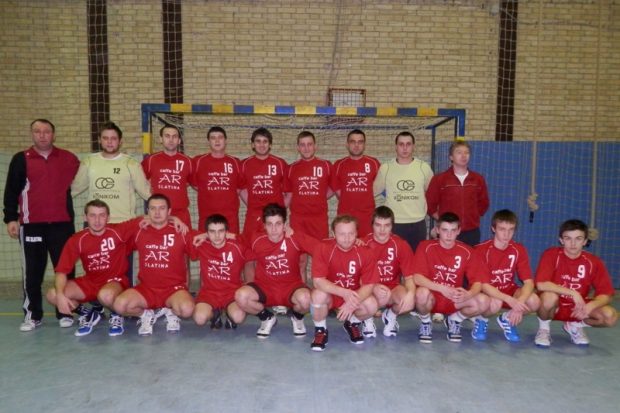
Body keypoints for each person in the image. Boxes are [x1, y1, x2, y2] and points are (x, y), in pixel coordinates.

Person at [3, 119, 80, 331]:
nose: (42, 135)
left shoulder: (68, 158)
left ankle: (65, 312)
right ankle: (32, 315)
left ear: (54, 135)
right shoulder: (21, 159)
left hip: (62, 225)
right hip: (31, 225)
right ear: (32, 134)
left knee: (66, 271)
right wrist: (11, 218)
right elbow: (11, 191)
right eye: (37, 131)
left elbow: (82, 178)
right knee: (32, 273)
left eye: (46, 131)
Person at [46, 200, 131, 337]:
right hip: (91, 282)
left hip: (114, 282)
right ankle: (89, 314)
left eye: (102, 215)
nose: (97, 220)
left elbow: (145, 220)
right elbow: (61, 271)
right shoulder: (77, 239)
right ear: (85, 217)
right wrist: (60, 295)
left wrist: (166, 218)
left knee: (106, 295)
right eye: (92, 215)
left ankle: (116, 315)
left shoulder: (118, 232)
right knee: (52, 294)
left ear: (108, 217)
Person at [113, 194, 194, 336]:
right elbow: (115, 232)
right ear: (147, 211)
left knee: (187, 309)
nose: (157, 212)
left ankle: (171, 311)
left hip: (173, 289)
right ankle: (146, 315)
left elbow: (208, 240)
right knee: (119, 305)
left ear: (169, 211)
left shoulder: (180, 230)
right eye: (153, 208)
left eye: (162, 208)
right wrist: (139, 220)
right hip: (146, 289)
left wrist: (231, 237)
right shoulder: (139, 229)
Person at [234, 203, 318, 339]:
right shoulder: (256, 239)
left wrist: (353, 243)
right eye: (270, 224)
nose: (274, 229)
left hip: (291, 287)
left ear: (285, 224)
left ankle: (297, 317)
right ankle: (267, 318)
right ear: (264, 225)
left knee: (307, 299)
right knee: (241, 296)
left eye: (278, 224)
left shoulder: (294, 238)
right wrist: (205, 236)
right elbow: (232, 238)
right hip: (265, 288)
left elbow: (321, 248)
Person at [534, 219, 617, 347]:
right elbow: (541, 284)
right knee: (549, 297)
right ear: (561, 240)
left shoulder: (594, 262)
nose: (573, 243)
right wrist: (573, 293)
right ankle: (544, 329)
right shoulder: (551, 254)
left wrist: (591, 305)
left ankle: (575, 326)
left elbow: (606, 294)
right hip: (554, 307)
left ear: (585, 241)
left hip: (578, 308)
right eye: (568, 238)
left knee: (610, 316)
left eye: (578, 239)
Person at [413, 212, 489, 343]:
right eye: (445, 230)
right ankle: (425, 322)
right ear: (437, 230)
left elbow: (477, 281)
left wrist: (469, 294)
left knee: (484, 301)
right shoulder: (425, 247)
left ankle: (455, 320)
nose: (449, 235)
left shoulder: (467, 251)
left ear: (458, 231)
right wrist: (442, 288)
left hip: (454, 299)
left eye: (453, 230)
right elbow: (417, 277)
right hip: (432, 297)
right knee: (421, 293)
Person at [310, 215, 380, 351]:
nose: (347, 238)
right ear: (333, 234)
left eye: (351, 233)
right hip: (331, 294)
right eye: (342, 234)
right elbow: (318, 281)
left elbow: (369, 285)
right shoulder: (323, 247)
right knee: (317, 295)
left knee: (372, 305)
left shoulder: (365, 251)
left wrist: (351, 302)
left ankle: (352, 323)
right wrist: (344, 293)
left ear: (357, 233)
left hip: (353, 294)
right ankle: (320, 330)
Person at [471, 209, 540, 342]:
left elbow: (529, 282)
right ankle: (481, 320)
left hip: (508, 290)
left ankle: (507, 319)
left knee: (534, 301)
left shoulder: (518, 249)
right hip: (487, 293)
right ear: (493, 229)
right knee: (495, 303)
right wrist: (510, 300)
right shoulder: (481, 250)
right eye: (502, 229)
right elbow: (484, 286)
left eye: (511, 230)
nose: (506, 234)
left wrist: (520, 302)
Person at [72, 121, 151, 224]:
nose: (109, 142)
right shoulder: (88, 162)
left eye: (113, 138)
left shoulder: (131, 164)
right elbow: (74, 190)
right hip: (94, 223)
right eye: (105, 138)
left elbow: (147, 193)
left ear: (120, 141)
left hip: (123, 223)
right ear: (99, 140)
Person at [284, 130, 333, 278]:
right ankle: (302, 287)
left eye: (309, 144)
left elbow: (333, 188)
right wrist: (280, 216)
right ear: (298, 147)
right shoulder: (291, 168)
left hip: (319, 220)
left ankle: (321, 288)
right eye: (303, 145)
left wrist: (319, 198)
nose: (306, 148)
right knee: (300, 259)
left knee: (322, 256)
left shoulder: (326, 165)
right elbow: (289, 195)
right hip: (298, 220)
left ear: (315, 146)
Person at [373, 131, 433, 252]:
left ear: (413, 146)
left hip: (417, 223)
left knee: (416, 259)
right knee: (395, 260)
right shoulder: (386, 168)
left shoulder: (423, 167)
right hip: (395, 223)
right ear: (396, 147)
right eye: (401, 144)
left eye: (408, 144)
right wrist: (381, 211)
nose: (405, 148)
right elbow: (374, 193)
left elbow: (432, 193)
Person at [362, 206, 416, 338]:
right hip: (369, 288)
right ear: (372, 225)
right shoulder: (362, 244)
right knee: (368, 300)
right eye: (378, 225)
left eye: (386, 225)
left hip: (392, 288)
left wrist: (411, 294)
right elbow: (355, 277)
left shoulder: (401, 245)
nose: (382, 230)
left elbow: (409, 277)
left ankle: (390, 315)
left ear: (392, 226)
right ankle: (367, 318)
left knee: (409, 301)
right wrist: (373, 287)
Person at [426, 140, 489, 246]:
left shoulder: (478, 179)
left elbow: (484, 203)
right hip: (448, 232)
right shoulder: (439, 179)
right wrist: (444, 220)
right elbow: (429, 205)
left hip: (471, 232)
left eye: (466, 152)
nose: (463, 156)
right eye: (459, 152)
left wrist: (472, 217)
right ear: (451, 157)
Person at [191, 214, 249, 330]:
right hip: (209, 293)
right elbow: (187, 237)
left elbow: (252, 243)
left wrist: (235, 236)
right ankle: (215, 315)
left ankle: (229, 314)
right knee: (199, 319)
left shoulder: (237, 247)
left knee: (238, 317)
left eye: (221, 231)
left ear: (227, 232)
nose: (217, 236)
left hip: (232, 292)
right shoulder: (202, 245)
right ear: (207, 233)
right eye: (212, 231)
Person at [239, 127, 288, 240]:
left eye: (265, 141)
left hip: (275, 217)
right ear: (252, 144)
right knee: (249, 245)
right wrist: (252, 204)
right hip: (253, 215)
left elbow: (289, 192)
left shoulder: (280, 163)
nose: (262, 145)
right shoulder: (244, 164)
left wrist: (279, 210)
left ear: (270, 145)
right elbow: (241, 188)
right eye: (258, 141)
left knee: (275, 246)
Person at [192, 126, 243, 233]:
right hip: (207, 217)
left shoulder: (236, 162)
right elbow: (195, 184)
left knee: (232, 243)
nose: (217, 141)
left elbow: (238, 188)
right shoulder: (198, 161)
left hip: (230, 218)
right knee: (205, 243)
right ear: (208, 142)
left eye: (220, 137)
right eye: (213, 138)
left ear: (226, 141)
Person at [331, 129, 380, 237]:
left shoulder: (374, 163)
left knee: (367, 246)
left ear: (364, 145)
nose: (356, 145)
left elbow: (379, 186)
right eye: (353, 142)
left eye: (360, 142)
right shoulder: (339, 165)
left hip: (367, 219)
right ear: (347, 144)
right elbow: (338, 192)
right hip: (345, 219)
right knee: (345, 246)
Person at [142, 124, 193, 227]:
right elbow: (140, 180)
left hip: (181, 214)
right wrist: (149, 188)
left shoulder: (188, 161)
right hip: (157, 214)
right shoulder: (151, 160)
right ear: (161, 139)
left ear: (179, 140)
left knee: (186, 238)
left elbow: (191, 182)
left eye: (174, 136)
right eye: (167, 136)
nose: (171, 140)